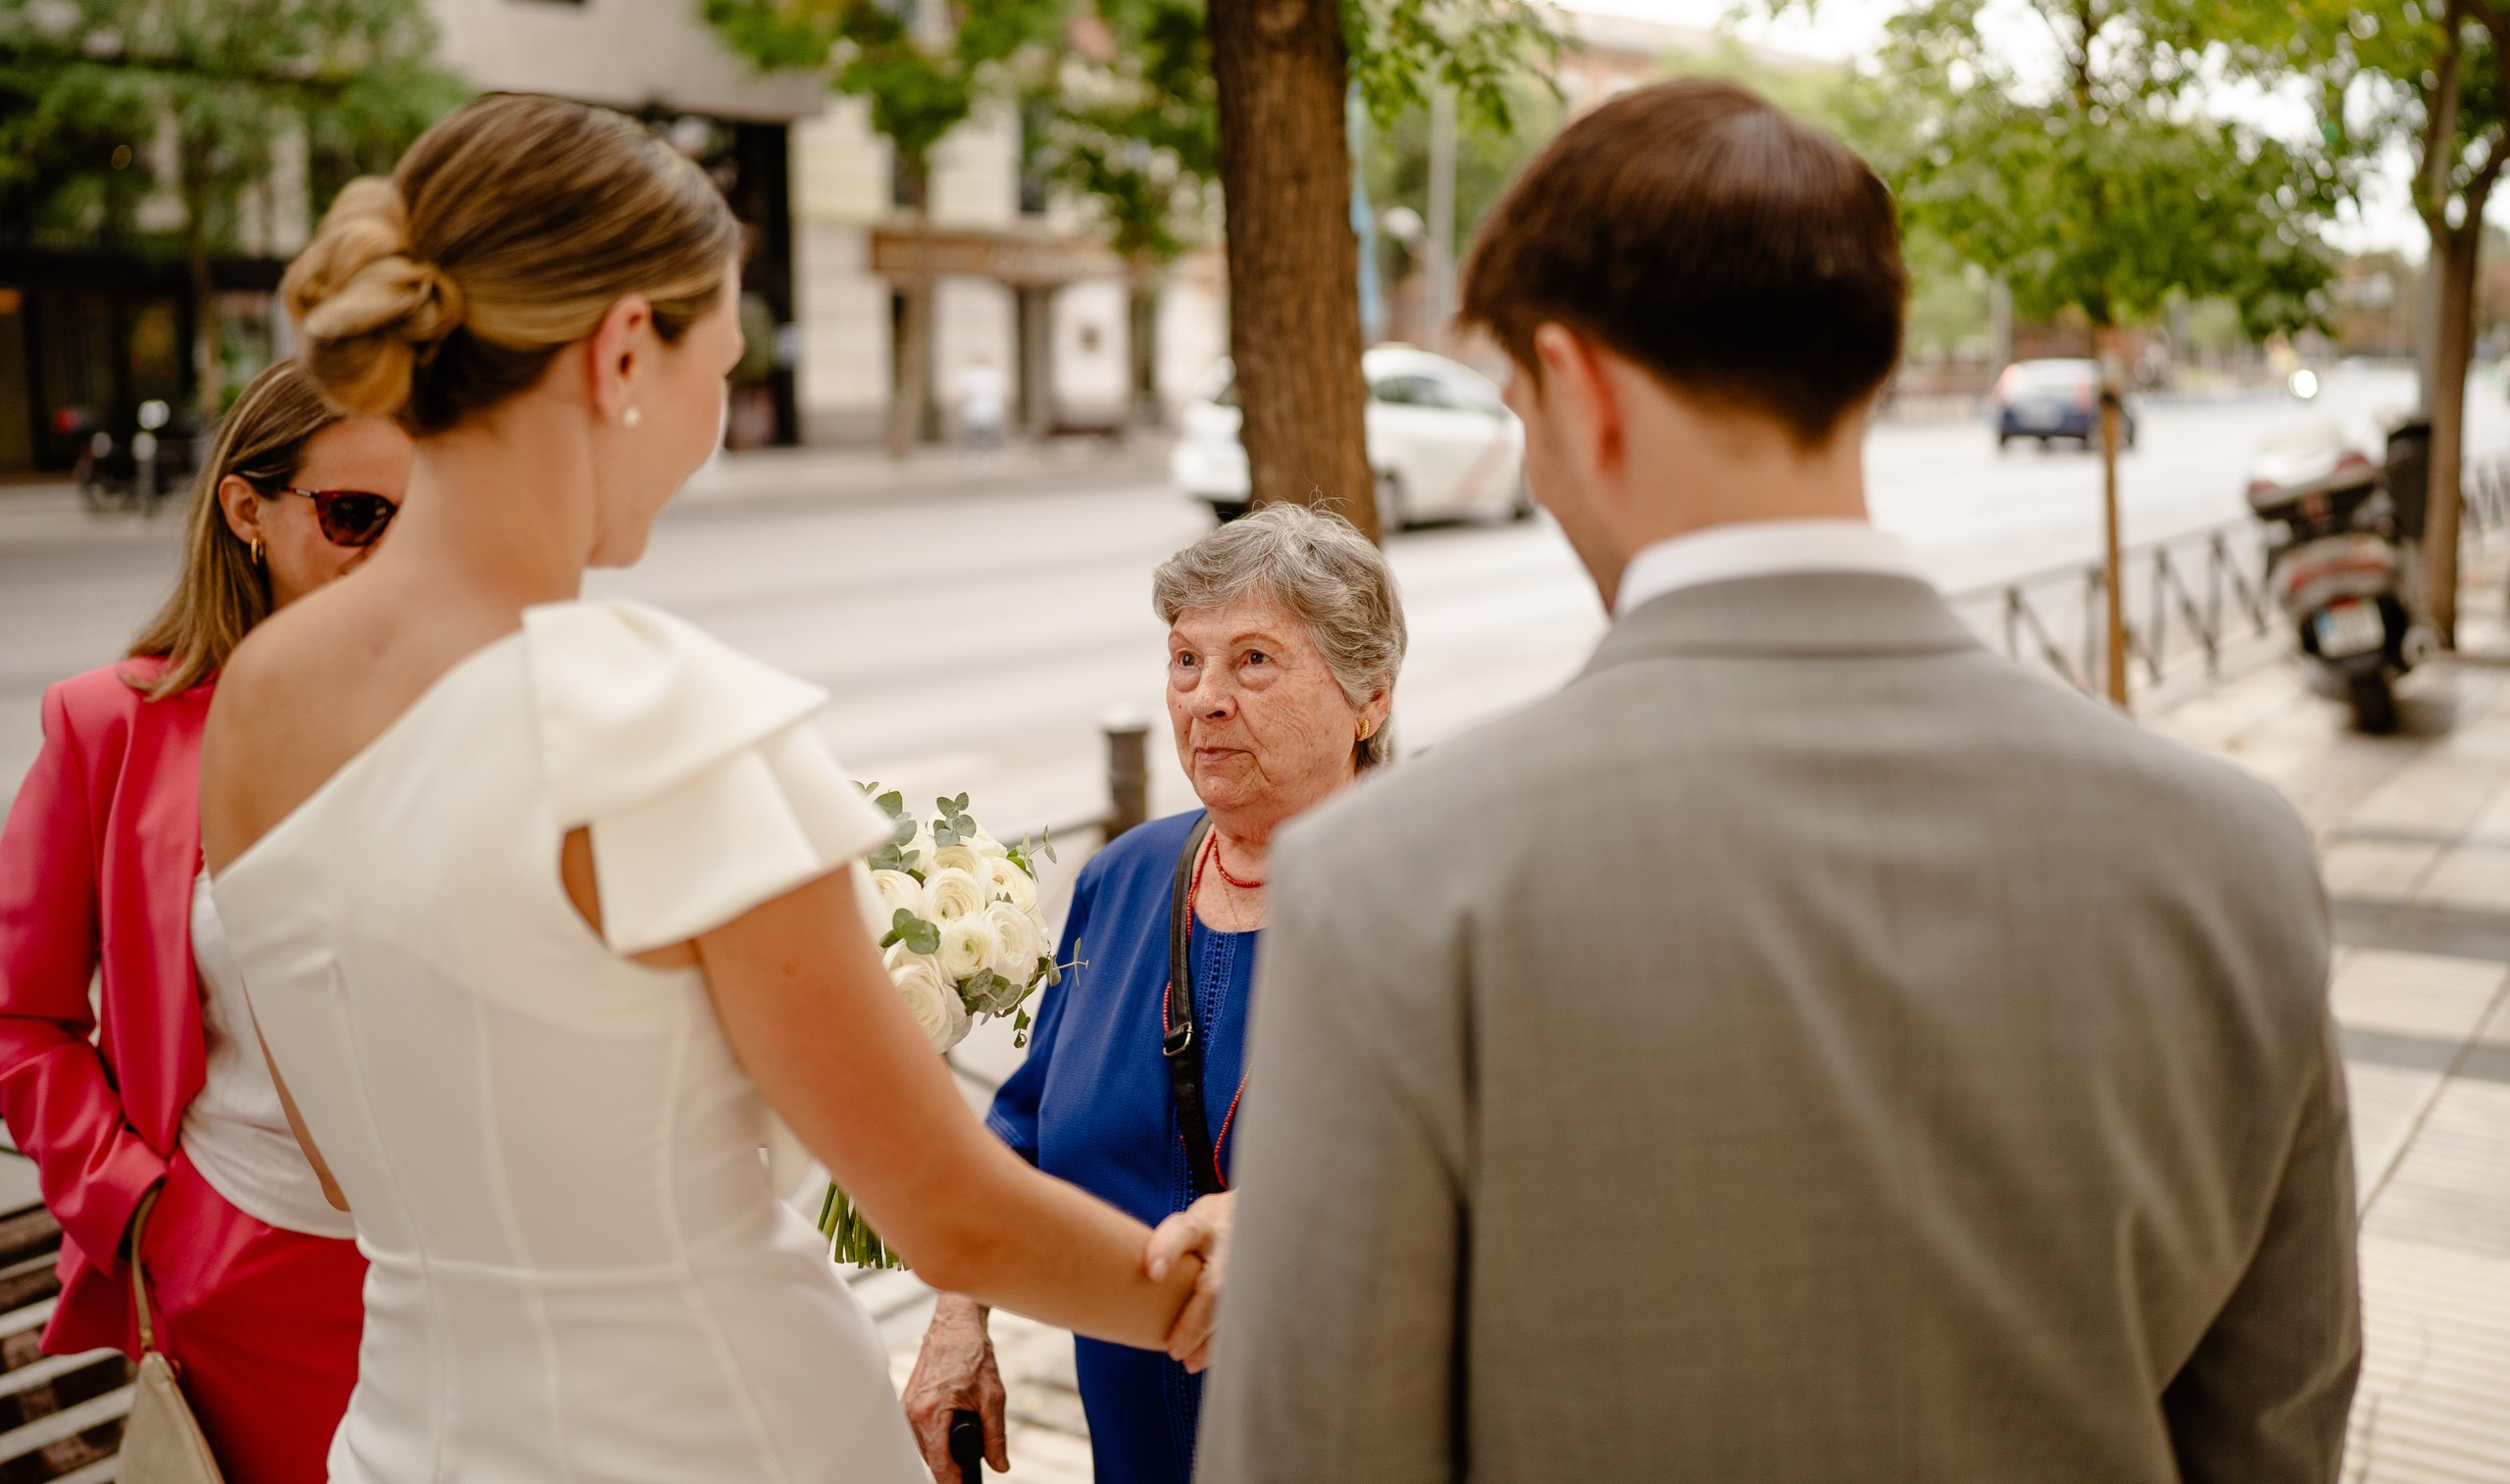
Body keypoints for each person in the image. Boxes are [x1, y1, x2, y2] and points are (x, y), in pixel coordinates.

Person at [1197, 80, 2361, 1483]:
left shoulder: (1394, 884)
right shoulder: (2233, 849)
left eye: (1523, 404)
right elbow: (2276, 1429)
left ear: (1578, 385)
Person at [196, 93, 1211, 1484]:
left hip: (406, 1439)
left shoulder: (256, 701)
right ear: (623, 347)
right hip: (719, 1431)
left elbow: (339, 1157)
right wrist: (1216, 1293)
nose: (715, 420)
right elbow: (946, 1211)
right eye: (719, 364)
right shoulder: (659, 718)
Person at [901, 503, 1403, 1484]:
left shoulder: (1426, 902)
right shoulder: (1122, 881)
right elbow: (1027, 1127)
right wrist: (959, 1316)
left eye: (1254, 660)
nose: (1205, 699)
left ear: (1368, 700)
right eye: (1184, 660)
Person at [0, 360, 410, 1484]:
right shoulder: (110, 730)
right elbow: (18, 1017)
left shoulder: (476, 713)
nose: (394, 558)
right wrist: (142, 1216)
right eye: (354, 516)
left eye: (424, 522)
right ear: (248, 510)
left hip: (482, 1275)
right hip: (249, 1280)